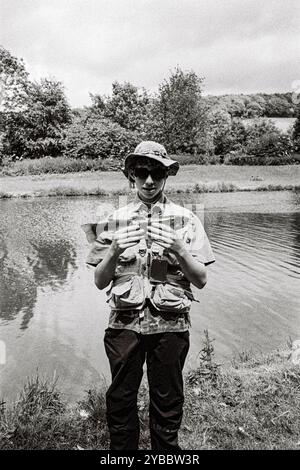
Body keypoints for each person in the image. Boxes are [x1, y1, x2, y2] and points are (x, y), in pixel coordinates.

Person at [83, 141, 215, 450]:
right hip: (123, 325)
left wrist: (180, 250)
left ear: (167, 175)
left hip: (171, 326)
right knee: (120, 402)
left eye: (156, 172)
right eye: (141, 173)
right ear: (131, 176)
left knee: (167, 404)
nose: (149, 181)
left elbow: (202, 279)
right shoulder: (112, 220)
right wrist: (114, 250)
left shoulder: (188, 220)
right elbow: (99, 282)